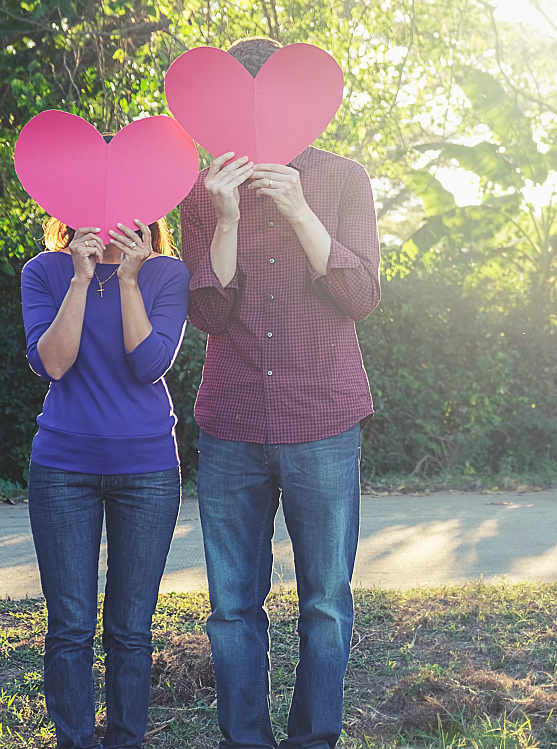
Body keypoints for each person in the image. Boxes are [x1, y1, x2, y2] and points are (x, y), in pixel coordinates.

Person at [180, 36, 381, 749]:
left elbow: (360, 295)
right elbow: (206, 312)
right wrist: (228, 217)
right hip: (232, 423)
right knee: (233, 607)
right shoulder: (204, 195)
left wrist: (299, 211)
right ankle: (246, 740)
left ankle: (312, 739)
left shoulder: (343, 179)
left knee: (324, 603)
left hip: (323, 420)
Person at [21, 214, 191, 749]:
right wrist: (79, 278)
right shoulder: (44, 272)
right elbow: (52, 362)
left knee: (130, 631)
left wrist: (129, 280)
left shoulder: (167, 275)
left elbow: (149, 364)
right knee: (70, 628)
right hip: (62, 469)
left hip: (147, 472)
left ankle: (125, 742)